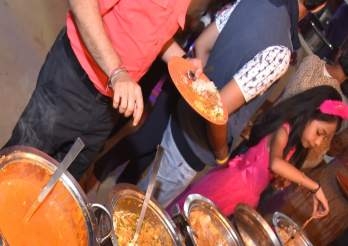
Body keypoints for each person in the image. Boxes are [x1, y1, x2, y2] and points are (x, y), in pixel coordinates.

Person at [87, 0, 328, 205]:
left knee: (139, 189)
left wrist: (200, 89)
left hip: (181, 114)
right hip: (195, 146)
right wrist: (222, 154)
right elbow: (217, 109)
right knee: (140, 218)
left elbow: (202, 45)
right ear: (320, 7)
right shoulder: (281, 51)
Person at [0, 0, 204, 199]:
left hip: (108, 109)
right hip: (71, 84)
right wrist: (116, 72)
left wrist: (181, 59)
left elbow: (148, 31)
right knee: (9, 172)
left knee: (59, 190)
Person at [167, 87, 346, 217]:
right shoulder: (282, 130)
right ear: (308, 114)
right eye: (319, 133)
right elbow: (275, 163)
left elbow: (272, 167)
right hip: (231, 188)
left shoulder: (292, 143)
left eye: (324, 139)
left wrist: (276, 179)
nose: (317, 142)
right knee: (191, 219)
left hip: (246, 197)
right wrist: (314, 187)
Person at [276, 37, 348, 169]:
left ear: (341, 50)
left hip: (268, 128)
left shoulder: (311, 62)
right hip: (285, 163)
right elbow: (314, 156)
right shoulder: (339, 107)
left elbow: (285, 99)